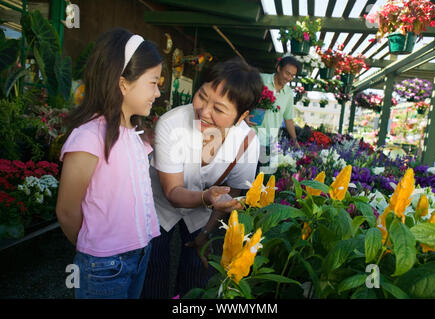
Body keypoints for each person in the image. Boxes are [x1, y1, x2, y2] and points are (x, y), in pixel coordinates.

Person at [141, 58, 263, 299]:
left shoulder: (247, 143)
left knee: (197, 277)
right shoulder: (172, 124)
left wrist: (206, 233)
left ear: (242, 115)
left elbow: (233, 193)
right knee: (153, 271)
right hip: (160, 205)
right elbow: (172, 192)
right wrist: (207, 198)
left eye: (218, 109)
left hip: (205, 212)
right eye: (202, 96)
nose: (204, 111)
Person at [56, 28, 162, 299]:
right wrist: (95, 246)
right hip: (104, 265)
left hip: (140, 254)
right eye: (153, 83)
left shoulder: (134, 135)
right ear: (123, 83)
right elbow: (67, 211)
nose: (158, 93)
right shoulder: (89, 137)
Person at [246, 56, 301, 169]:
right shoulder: (261, 80)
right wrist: (244, 117)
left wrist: (295, 141)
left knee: (259, 177)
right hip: (249, 135)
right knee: (242, 175)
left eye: (292, 76)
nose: (289, 78)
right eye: (287, 73)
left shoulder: (289, 93)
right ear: (278, 68)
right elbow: (240, 98)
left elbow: (288, 119)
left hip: (269, 141)